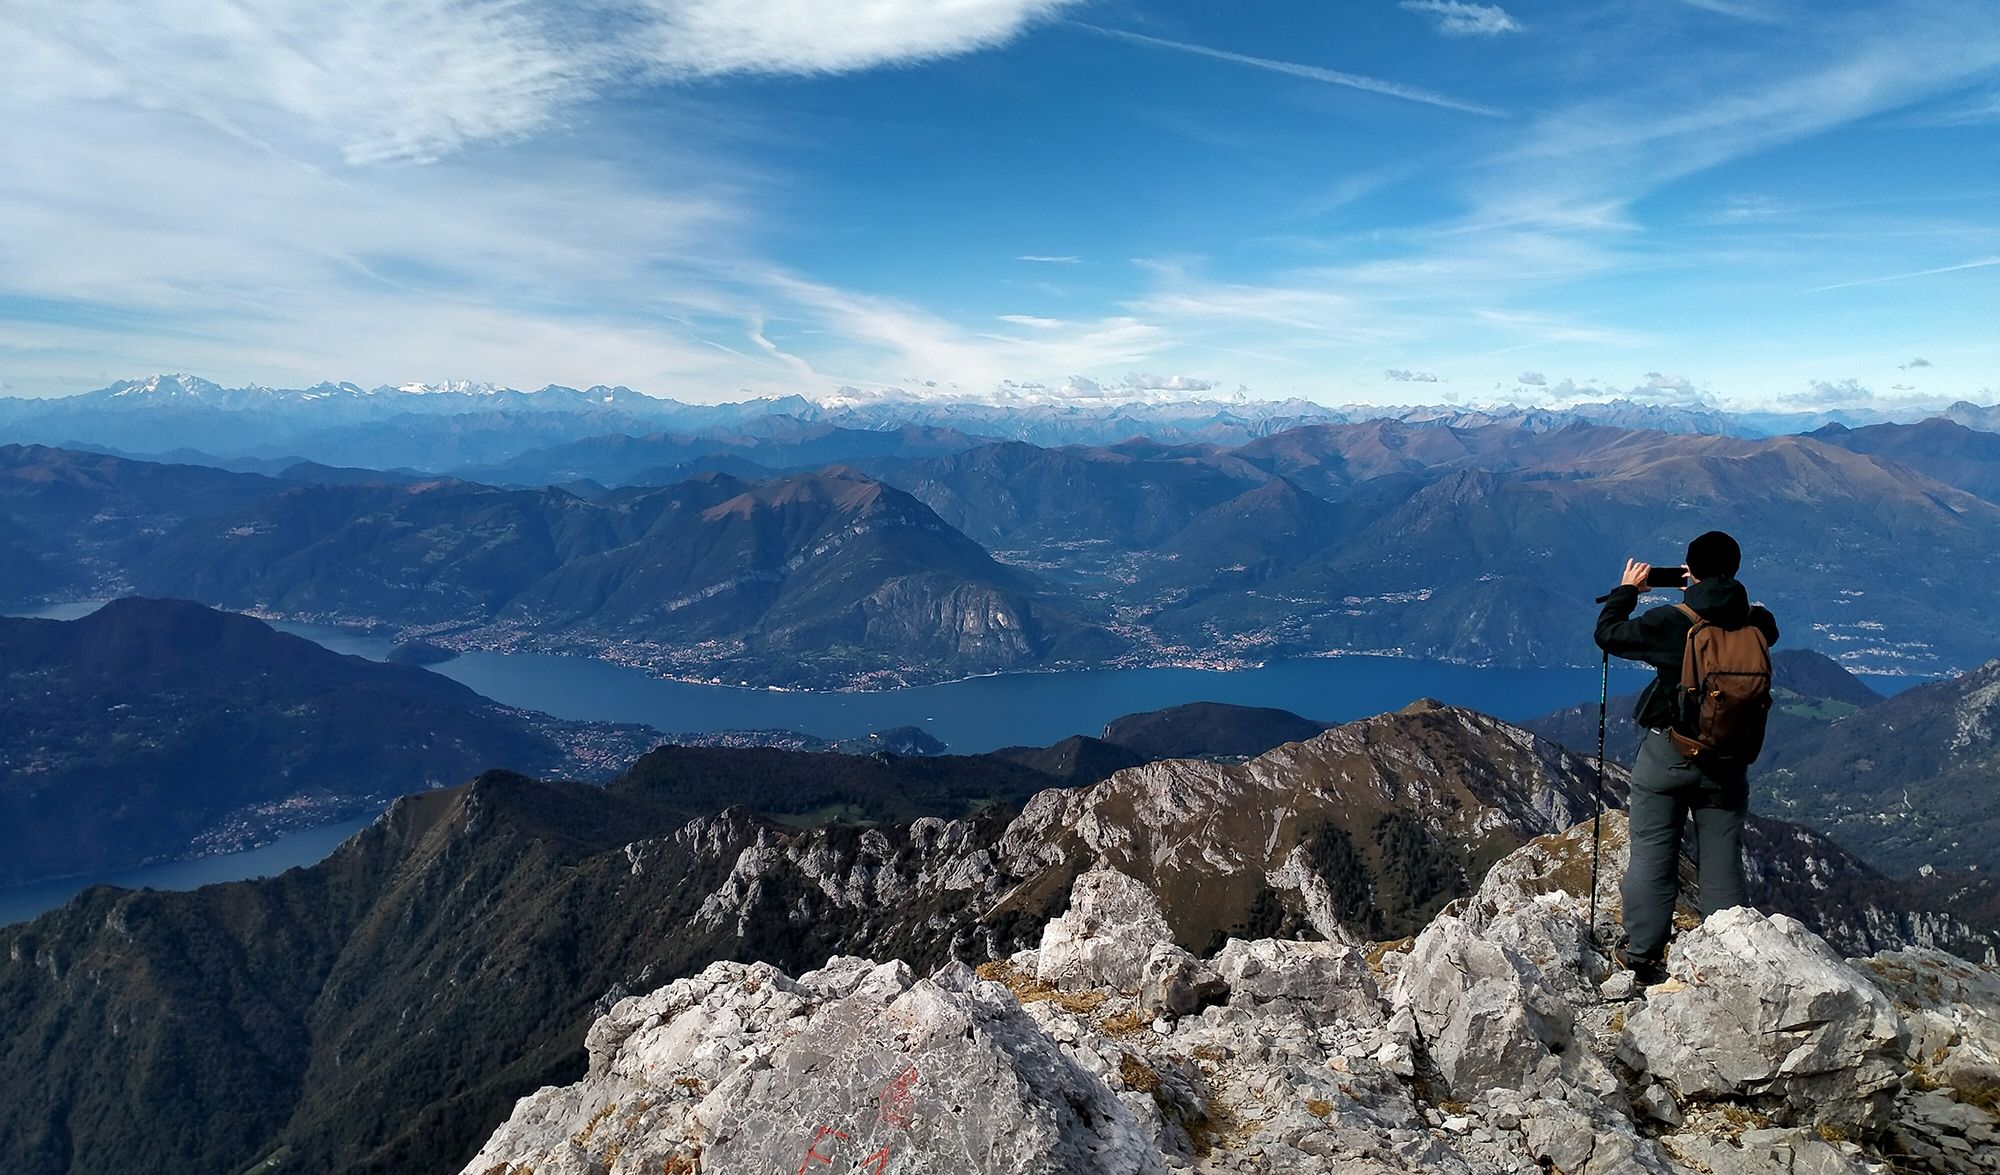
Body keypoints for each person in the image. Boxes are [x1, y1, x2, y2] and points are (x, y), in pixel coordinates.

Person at [1594, 530, 1777, 985]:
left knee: (1653, 856)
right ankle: (1728, 956)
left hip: (1669, 755)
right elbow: (1755, 621)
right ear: (1735, 569)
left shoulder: (1673, 622)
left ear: (1689, 570)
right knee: (1722, 862)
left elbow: (1608, 634)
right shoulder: (1758, 623)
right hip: (1728, 760)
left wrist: (1627, 592)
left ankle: (1642, 955)